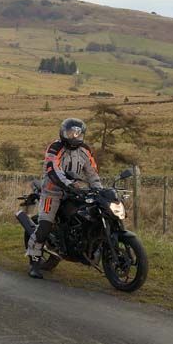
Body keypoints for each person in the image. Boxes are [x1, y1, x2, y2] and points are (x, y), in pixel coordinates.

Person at [26, 118, 102, 279]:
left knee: (87, 217)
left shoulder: (85, 150)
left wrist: (98, 190)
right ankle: (34, 263)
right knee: (45, 226)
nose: (74, 137)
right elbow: (53, 169)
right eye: (70, 133)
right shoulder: (55, 148)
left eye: (77, 133)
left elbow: (92, 172)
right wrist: (69, 184)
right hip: (52, 191)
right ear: (63, 133)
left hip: (74, 192)